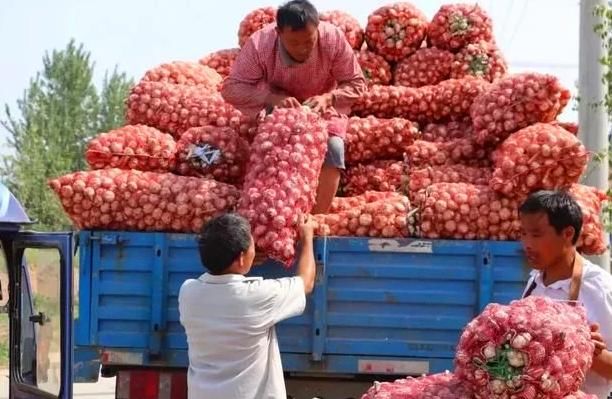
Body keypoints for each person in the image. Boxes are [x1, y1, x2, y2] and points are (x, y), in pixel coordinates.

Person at [221, 0, 367, 214]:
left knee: (334, 148)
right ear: (279, 32)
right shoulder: (260, 44)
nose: (303, 49)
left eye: (309, 41)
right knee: (271, 155)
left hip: (322, 109)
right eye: (294, 43)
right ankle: (273, 214)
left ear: (318, 27)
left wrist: (329, 98)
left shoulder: (332, 38)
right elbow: (231, 88)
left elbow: (358, 84)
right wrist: (271, 98)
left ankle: (316, 218)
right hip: (279, 112)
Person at [178, 213, 316, 399]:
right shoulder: (255, 296)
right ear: (241, 258)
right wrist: (307, 238)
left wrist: (244, 261)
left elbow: (227, 277)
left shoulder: (188, 293)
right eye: (252, 246)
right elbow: (306, 283)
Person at [519, 190, 612, 399]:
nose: (526, 243)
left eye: (535, 234)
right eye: (523, 233)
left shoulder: (599, 287)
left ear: (568, 234)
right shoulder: (535, 281)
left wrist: (584, 349)